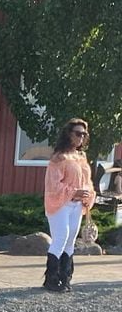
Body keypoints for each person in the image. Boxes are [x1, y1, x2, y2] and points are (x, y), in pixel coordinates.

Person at [43, 118, 94, 292]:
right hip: (61, 203)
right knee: (61, 237)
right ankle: (51, 278)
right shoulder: (59, 157)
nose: (81, 137)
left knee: (70, 239)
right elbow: (52, 185)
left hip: (77, 205)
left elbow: (87, 181)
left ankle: (65, 278)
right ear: (69, 134)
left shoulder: (82, 157)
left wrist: (87, 194)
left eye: (84, 134)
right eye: (78, 133)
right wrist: (74, 192)